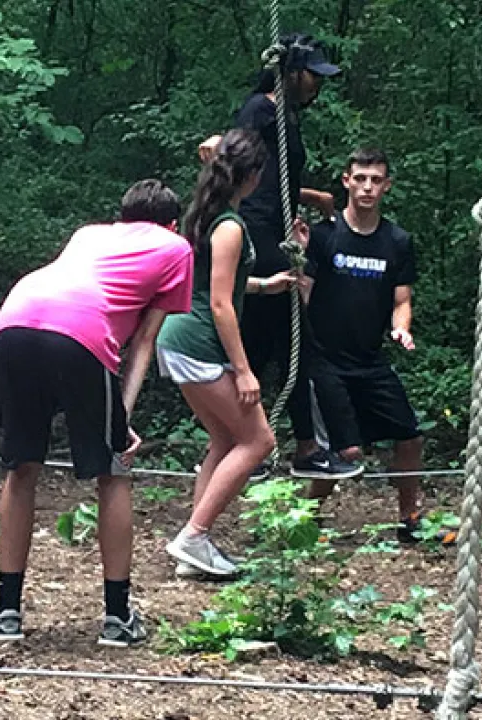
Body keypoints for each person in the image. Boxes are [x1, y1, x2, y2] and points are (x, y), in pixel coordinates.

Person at [0, 179, 193, 646]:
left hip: (15, 317)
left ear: (122, 217)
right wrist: (123, 416)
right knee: (114, 471)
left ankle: (7, 613)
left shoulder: (89, 234)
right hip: (79, 330)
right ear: (172, 224)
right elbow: (144, 341)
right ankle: (118, 618)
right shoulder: (177, 248)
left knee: (22, 467)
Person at [198, 34, 358, 480]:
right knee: (295, 338)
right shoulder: (260, 109)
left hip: (273, 228)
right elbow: (238, 158)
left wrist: (311, 197)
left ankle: (238, 444)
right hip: (257, 232)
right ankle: (304, 446)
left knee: (261, 340)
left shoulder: (284, 115)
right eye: (312, 75)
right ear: (290, 72)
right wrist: (216, 145)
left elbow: (273, 180)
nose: (316, 85)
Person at [292, 148, 445, 543]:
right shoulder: (323, 235)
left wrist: (401, 329)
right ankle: (303, 522)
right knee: (346, 454)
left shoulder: (397, 241)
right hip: (326, 360)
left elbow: (401, 300)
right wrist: (298, 259)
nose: (367, 187)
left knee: (410, 436)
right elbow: (303, 294)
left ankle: (410, 519)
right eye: (360, 178)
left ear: (386, 186)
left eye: (376, 180)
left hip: (370, 359)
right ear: (347, 181)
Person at [157, 129, 278, 579]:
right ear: (253, 176)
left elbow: (218, 282)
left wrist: (265, 285)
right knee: (259, 441)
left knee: (226, 440)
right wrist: (244, 371)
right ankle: (193, 536)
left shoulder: (210, 216)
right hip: (198, 342)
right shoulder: (229, 226)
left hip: (181, 338)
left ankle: (195, 547)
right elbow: (221, 304)